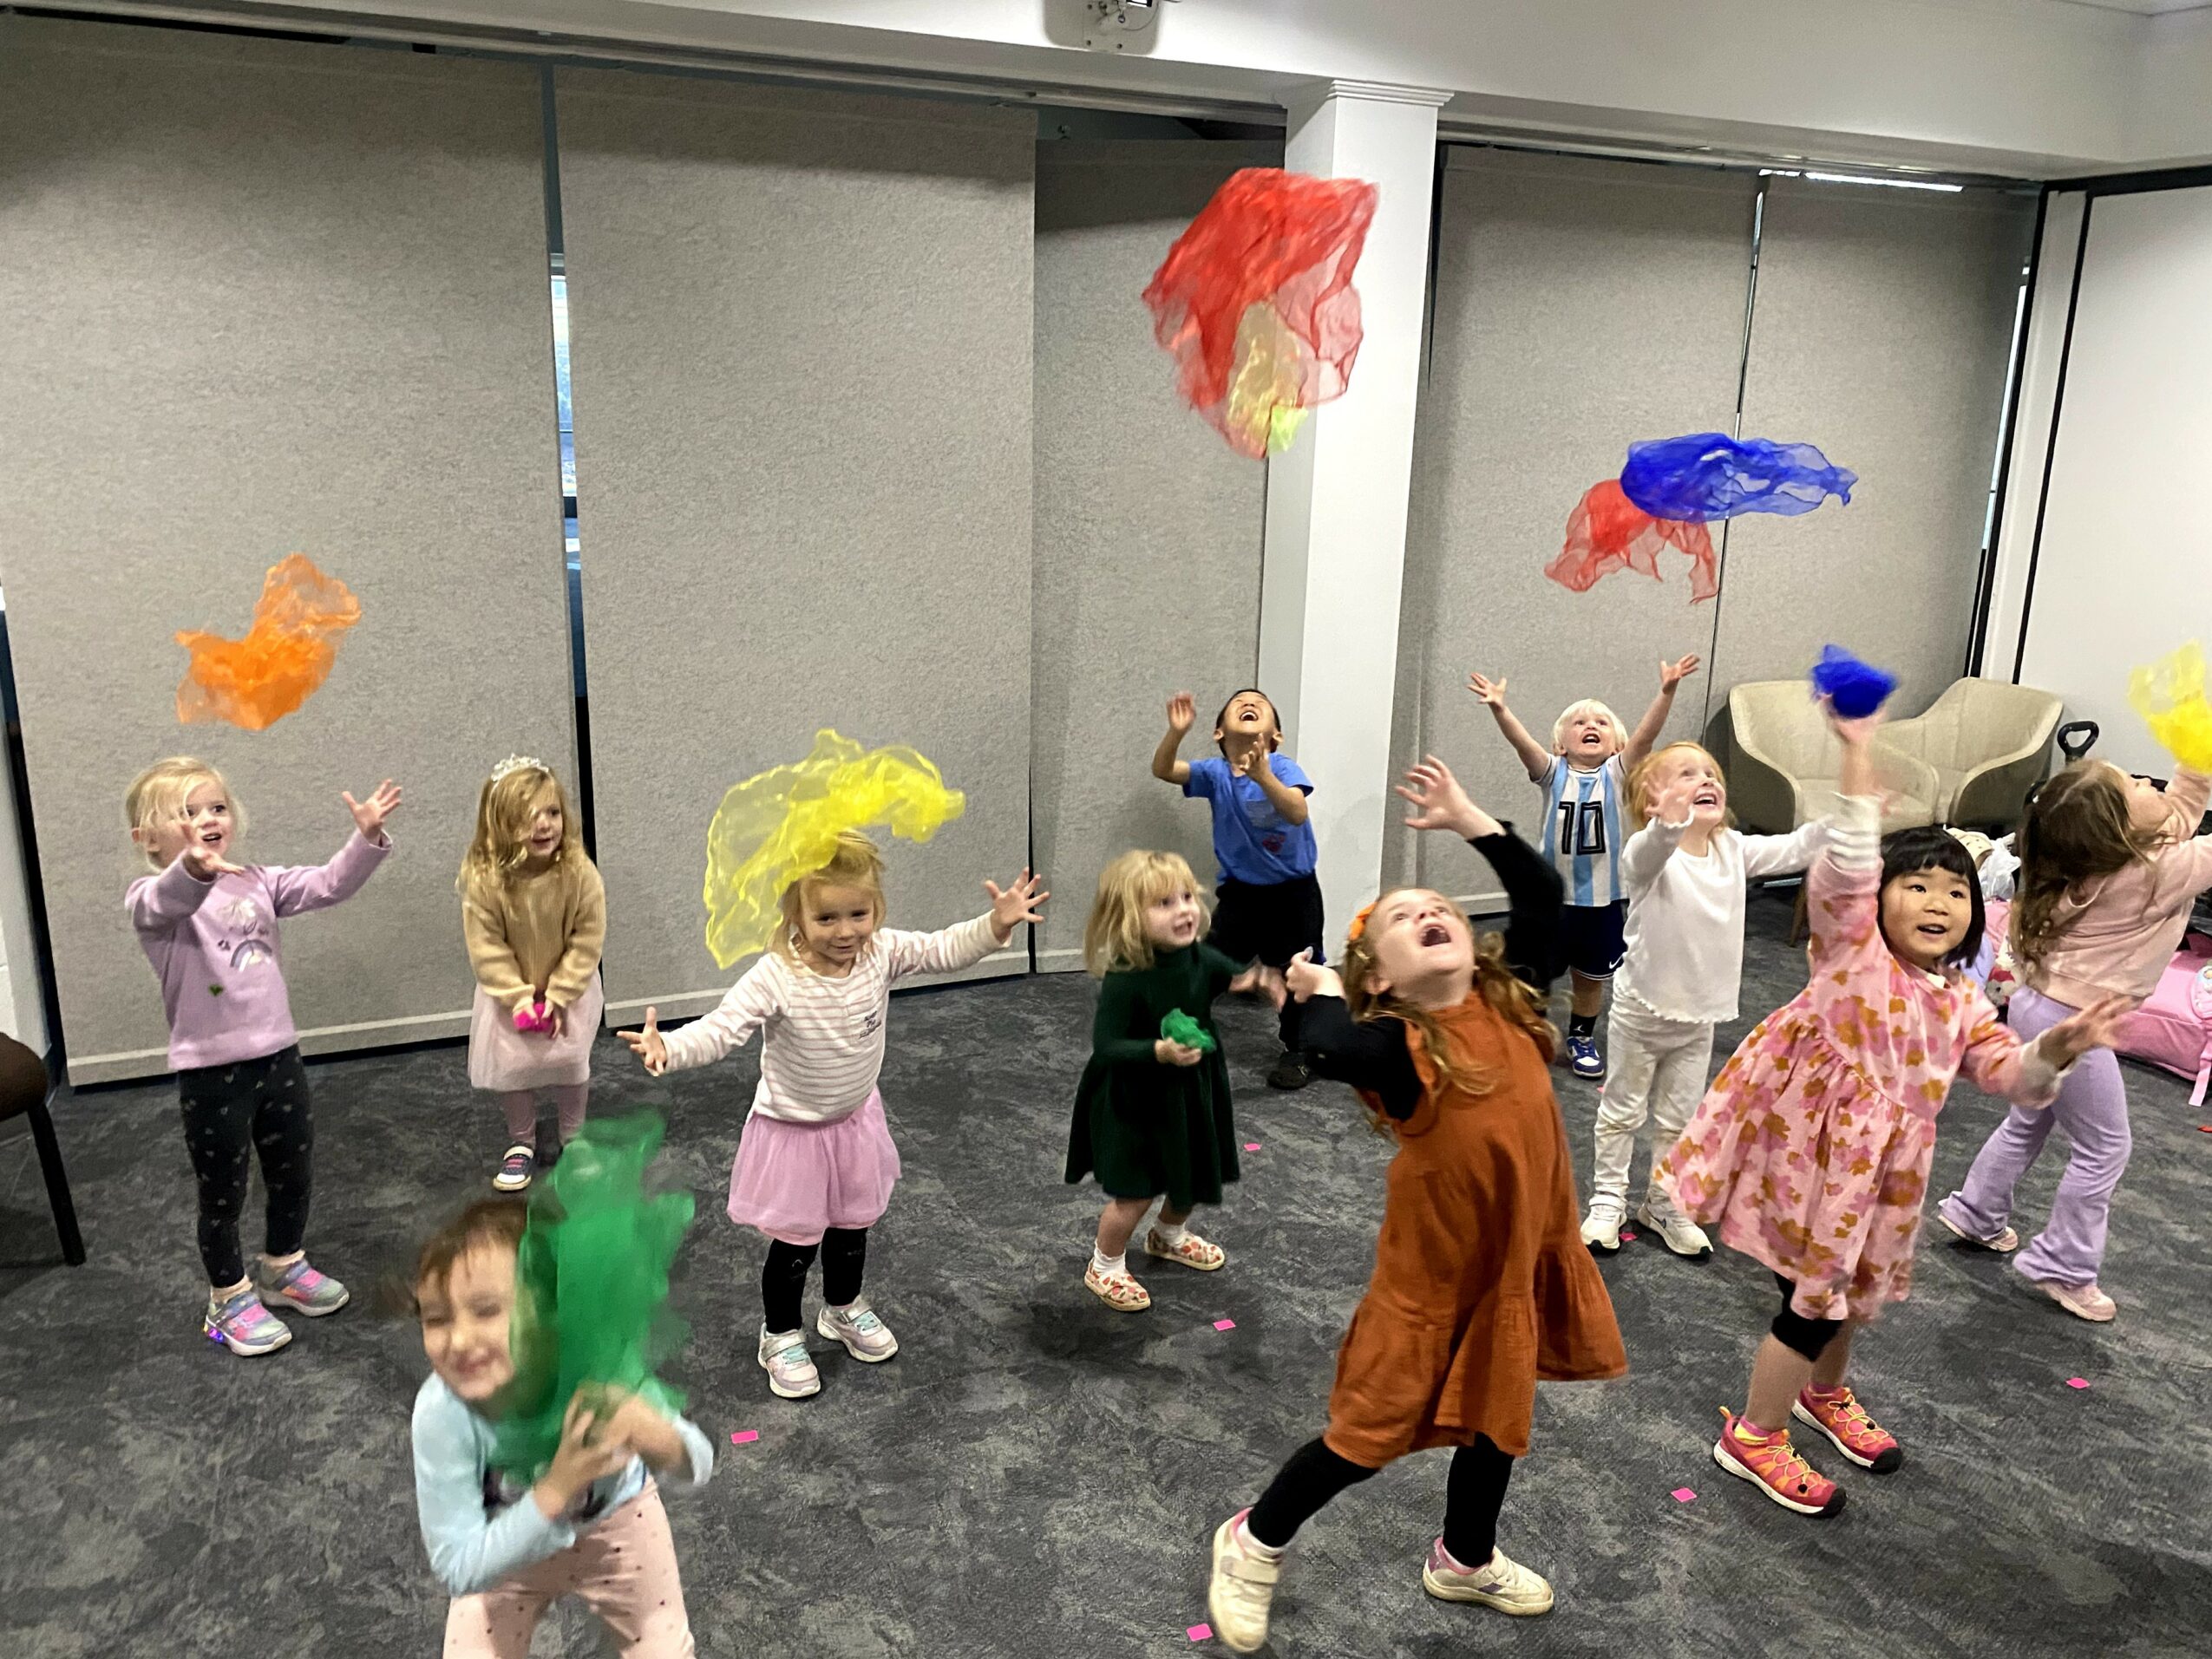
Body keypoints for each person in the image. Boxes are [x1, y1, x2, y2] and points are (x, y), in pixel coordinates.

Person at [1659, 714, 2130, 1516]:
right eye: (1917, 884)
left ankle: (1822, 1394)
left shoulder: (1960, 998)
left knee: (1846, 1292)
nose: (1939, 900)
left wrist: (2057, 1047)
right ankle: (1755, 1434)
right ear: (1876, 903)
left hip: (1870, 1181)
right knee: (1812, 1305)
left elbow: (2010, 1076)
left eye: (1957, 890)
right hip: (1804, 1167)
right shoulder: (1853, 959)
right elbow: (1844, 874)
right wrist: (1856, 761)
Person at [1203, 757, 1625, 1653]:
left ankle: (1464, 1557)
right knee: (1367, 1435)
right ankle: (1254, 1539)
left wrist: (1472, 818)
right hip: (1430, 1288)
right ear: (1382, 981)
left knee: (1497, 1422)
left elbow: (1540, 893)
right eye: (1401, 917)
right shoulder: (1400, 1045)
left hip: (1512, 1267)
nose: (1428, 911)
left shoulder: (1511, 999)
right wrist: (1321, 992)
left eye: (1438, 907)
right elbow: (1329, 1049)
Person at [623, 833, 1046, 1399]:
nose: (845, 931)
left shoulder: (881, 952)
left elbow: (943, 949)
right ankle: (779, 1333)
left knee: (852, 1228)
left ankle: (842, 1307)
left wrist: (995, 925)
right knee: (796, 1245)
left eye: (858, 914)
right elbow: (723, 1028)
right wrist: (670, 1047)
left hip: (855, 1123)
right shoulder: (778, 975)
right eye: (826, 917)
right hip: (795, 1135)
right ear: (795, 916)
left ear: (876, 909)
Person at [125, 755, 399, 1355]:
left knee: (292, 1173)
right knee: (223, 1191)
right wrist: (192, 869)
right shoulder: (151, 899)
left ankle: (283, 1265)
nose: (207, 819)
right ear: (146, 837)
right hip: (211, 1072)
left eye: (217, 807)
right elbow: (169, 898)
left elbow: (328, 884)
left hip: (278, 1057)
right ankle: (227, 1299)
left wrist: (365, 839)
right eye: (187, 812)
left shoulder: (257, 881)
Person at [1938, 756, 2212, 1322]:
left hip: (2036, 1006)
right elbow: (2189, 833)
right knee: (2105, 1147)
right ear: (2118, 829)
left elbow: (2179, 811)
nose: (2149, 781)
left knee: (2029, 1121)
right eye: (2134, 784)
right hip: (2073, 1026)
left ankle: (1975, 1213)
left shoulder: (2100, 856)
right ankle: (2064, 1266)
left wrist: (2198, 752)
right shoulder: (2154, 873)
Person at [408, 1197, 712, 1656]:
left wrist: (657, 1435)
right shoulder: (443, 1413)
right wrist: (556, 1487)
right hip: (506, 1544)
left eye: (487, 1310)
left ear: (554, 1314)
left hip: (617, 1527)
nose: (460, 1339)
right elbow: (457, 1566)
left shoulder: (596, 1365)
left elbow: (699, 1463)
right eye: (436, 1319)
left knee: (665, 1648)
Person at [1580, 741, 1829, 1257]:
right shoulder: (1647, 852)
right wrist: (1667, 825)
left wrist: (1856, 806)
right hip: (1642, 1010)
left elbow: (1800, 846)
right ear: (1651, 801)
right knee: (1623, 1110)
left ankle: (1662, 1202)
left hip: (1697, 1020)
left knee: (1681, 1119)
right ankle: (1608, 1199)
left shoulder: (1732, 849)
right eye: (1687, 774)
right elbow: (1649, 852)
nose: (1706, 779)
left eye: (1711, 773)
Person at [1465, 656, 1700, 1079]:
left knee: (1590, 978)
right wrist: (1500, 708)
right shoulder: (1551, 772)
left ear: (1616, 745)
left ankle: (1581, 1036)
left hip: (1602, 900)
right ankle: (1526, 1031)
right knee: (1532, 971)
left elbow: (1646, 736)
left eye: (1601, 723)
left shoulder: (1618, 772)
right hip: (1552, 899)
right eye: (1579, 723)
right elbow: (1522, 744)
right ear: (1560, 744)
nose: (1590, 726)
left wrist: (1667, 691)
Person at [1065, 850, 1241, 1312]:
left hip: (1188, 1090)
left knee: (1193, 1171)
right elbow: (1107, 1045)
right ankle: (1104, 1264)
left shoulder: (1198, 957)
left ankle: (1168, 1235)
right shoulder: (1126, 977)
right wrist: (1159, 1051)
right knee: (1136, 1191)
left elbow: (1236, 976)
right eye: (1164, 903)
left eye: (1186, 897)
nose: (1183, 910)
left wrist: (1269, 980)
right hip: (1136, 1099)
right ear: (1129, 919)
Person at [1151, 689, 1321, 1089]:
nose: (1249, 703)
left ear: (1275, 736)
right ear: (1219, 733)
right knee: (1211, 962)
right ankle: (1183, 1030)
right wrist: (1176, 733)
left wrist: (1263, 776)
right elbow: (1163, 769)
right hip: (1241, 893)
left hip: (1293, 893)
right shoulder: (1214, 773)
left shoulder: (1283, 767)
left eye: (1260, 704)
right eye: (1239, 703)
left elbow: (1297, 812)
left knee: (1296, 970)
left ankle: (1299, 1050)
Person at [459, 755, 606, 1192]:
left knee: (571, 1061)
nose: (544, 825)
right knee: (514, 1065)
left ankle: (573, 1135)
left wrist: (559, 994)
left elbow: (588, 936)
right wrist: (519, 997)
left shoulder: (577, 871)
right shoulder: (487, 880)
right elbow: (487, 947)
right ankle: (521, 1140)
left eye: (552, 812)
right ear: (500, 824)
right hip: (508, 993)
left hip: (569, 988)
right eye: (528, 817)